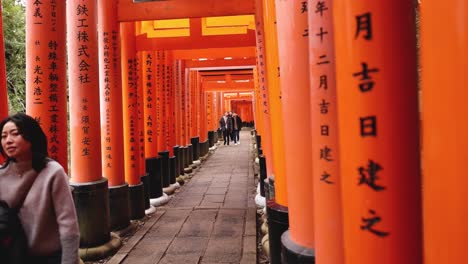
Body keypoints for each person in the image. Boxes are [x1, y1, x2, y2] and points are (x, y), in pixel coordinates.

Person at [0, 113, 80, 264]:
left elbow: (68, 225)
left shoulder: (53, 172)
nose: (8, 141)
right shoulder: (1, 175)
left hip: (49, 258)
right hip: (13, 256)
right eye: (3, 136)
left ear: (31, 136)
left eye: (15, 134)